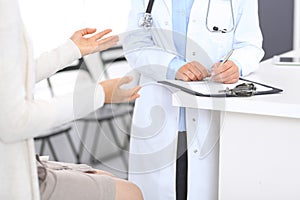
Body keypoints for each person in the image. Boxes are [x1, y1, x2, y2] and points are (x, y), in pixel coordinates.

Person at [0, 0, 143, 200]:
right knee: (130, 194)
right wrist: (99, 94)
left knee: (106, 177)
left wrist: (71, 50)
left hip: (20, 161)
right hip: (10, 176)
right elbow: (15, 121)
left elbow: (10, 79)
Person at [123, 0, 264, 199]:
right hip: (160, 108)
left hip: (211, 114)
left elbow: (250, 45)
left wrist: (236, 64)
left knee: (208, 186)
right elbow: (135, 45)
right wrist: (172, 66)